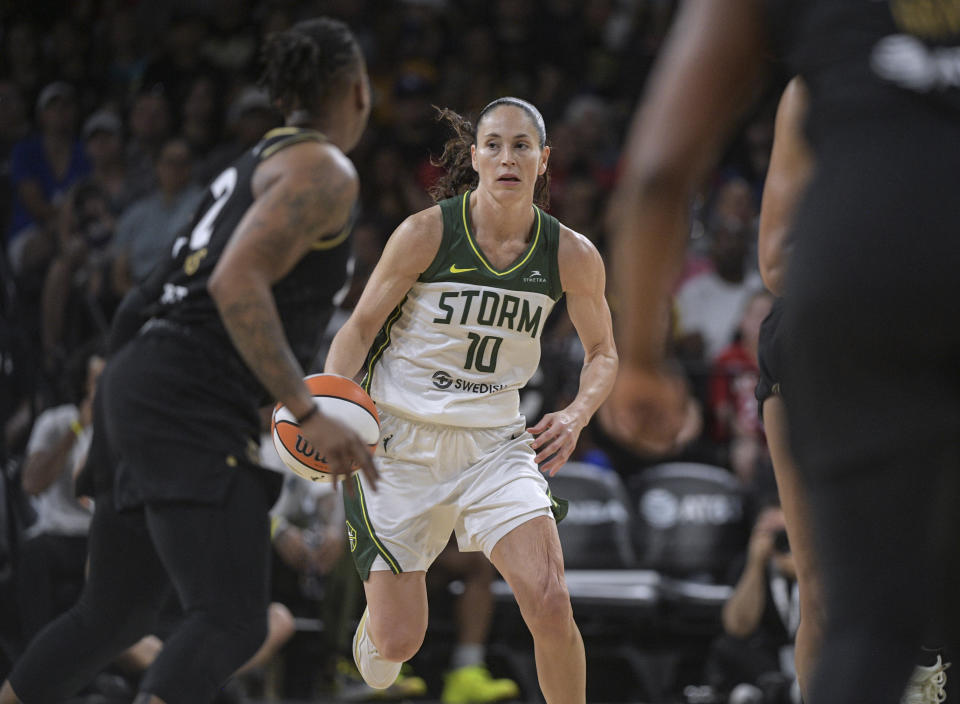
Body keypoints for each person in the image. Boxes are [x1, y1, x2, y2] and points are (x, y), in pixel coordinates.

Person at [0, 17, 377, 704]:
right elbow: (236, 283)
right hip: (184, 393)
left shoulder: (251, 165)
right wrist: (306, 409)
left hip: (142, 376)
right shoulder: (323, 170)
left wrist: (112, 433)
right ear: (357, 90)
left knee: (112, 616)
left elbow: (141, 300)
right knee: (232, 621)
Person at [604, 3, 960, 703]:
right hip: (849, 320)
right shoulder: (808, 97)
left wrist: (641, 356)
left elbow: (656, 174)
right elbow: (772, 261)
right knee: (837, 597)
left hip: (855, 303)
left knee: (868, 624)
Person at [325, 96, 618, 704]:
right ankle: (376, 629)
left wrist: (576, 412)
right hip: (400, 442)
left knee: (549, 597)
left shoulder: (571, 253)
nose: (507, 156)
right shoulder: (426, 233)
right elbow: (357, 328)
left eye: (521, 145)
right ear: (475, 157)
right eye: (493, 145)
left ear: (543, 161)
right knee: (400, 643)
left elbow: (604, 354)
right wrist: (333, 408)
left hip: (494, 443)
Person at [16, 350, 102, 644]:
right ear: (83, 385)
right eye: (97, 382)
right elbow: (32, 483)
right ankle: (35, 668)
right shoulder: (56, 421)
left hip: (103, 535)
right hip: (61, 535)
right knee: (33, 555)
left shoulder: (122, 422)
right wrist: (77, 429)